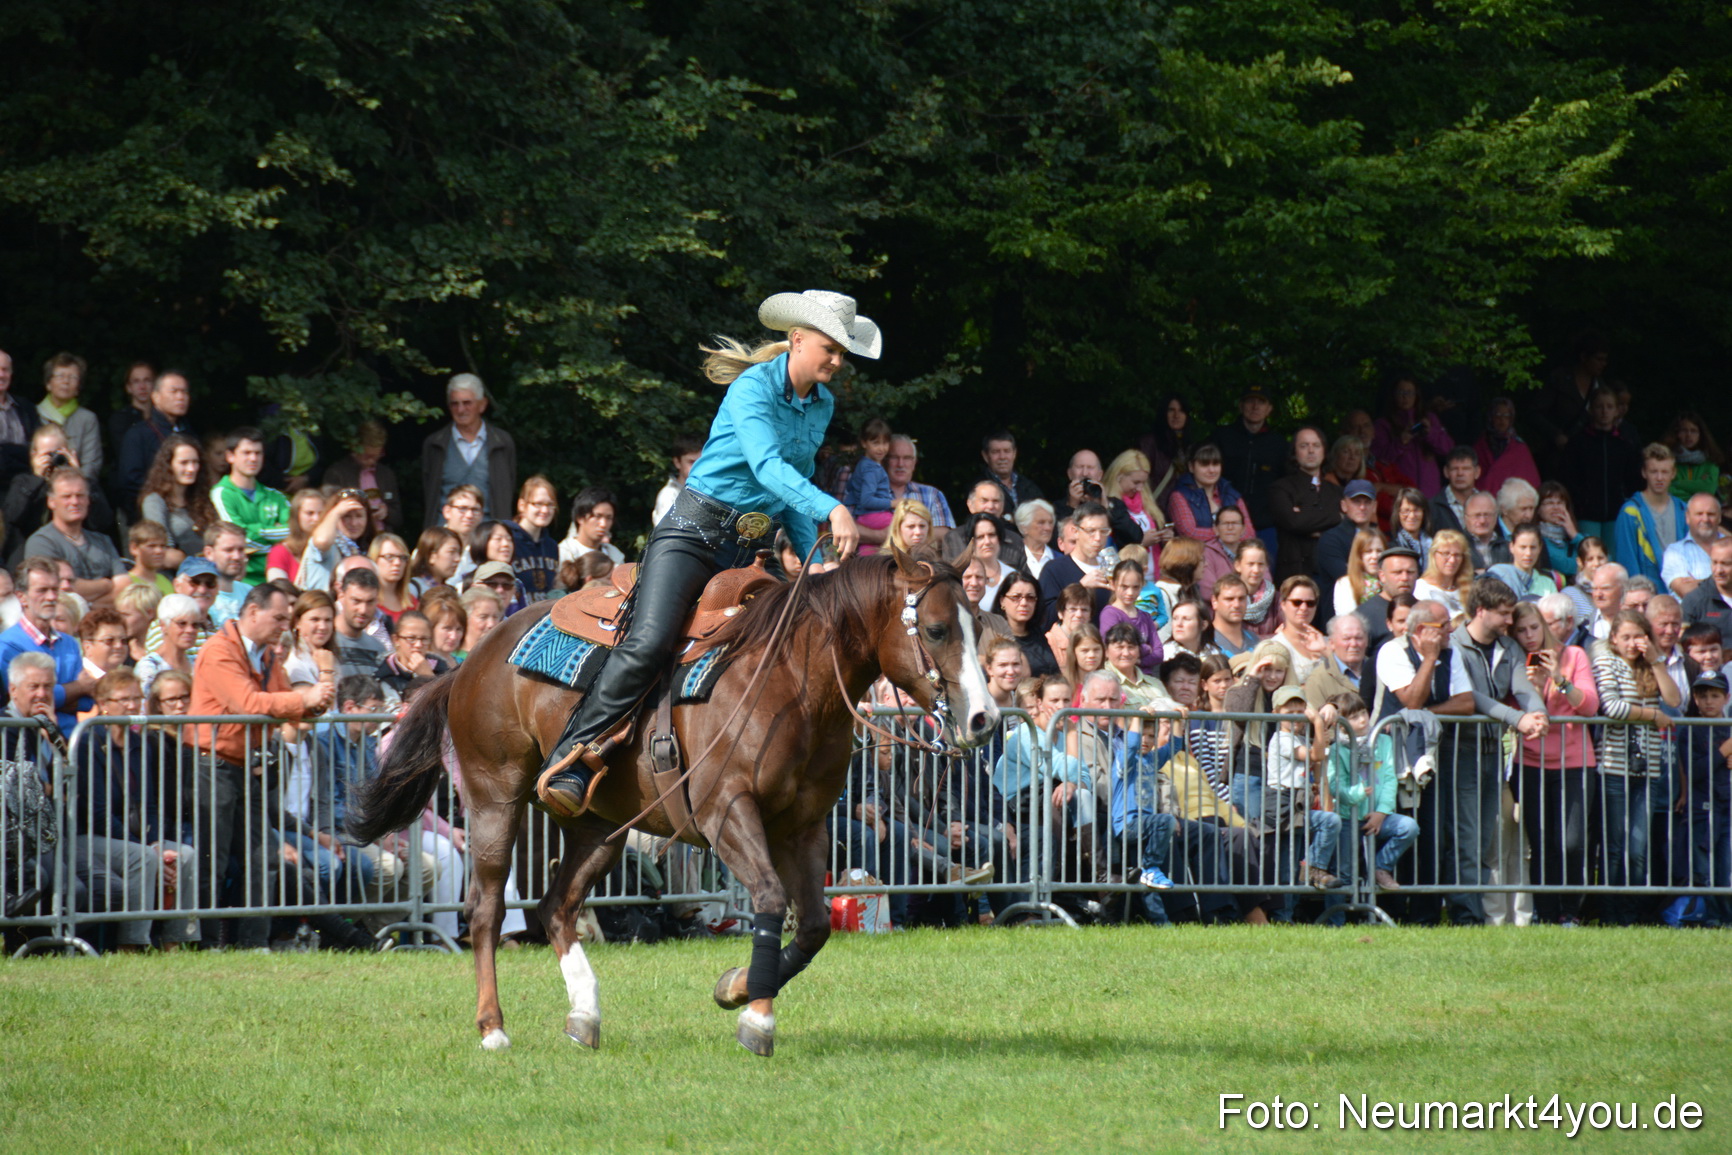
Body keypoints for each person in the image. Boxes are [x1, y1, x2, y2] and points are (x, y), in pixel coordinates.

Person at [536, 290, 872, 816]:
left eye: (842, 353)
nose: (836, 360)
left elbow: (793, 486)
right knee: (649, 642)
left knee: (791, 646)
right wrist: (834, 508)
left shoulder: (822, 404)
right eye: (830, 348)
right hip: (692, 536)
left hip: (750, 553)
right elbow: (767, 467)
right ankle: (573, 757)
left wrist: (816, 560)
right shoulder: (751, 388)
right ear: (797, 339)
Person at [189, 584, 335, 947]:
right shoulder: (218, 650)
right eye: (279, 617)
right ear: (253, 612)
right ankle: (204, 944)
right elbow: (248, 703)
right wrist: (305, 699)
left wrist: (321, 689)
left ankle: (253, 944)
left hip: (245, 766)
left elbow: (292, 705)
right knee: (212, 859)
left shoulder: (267, 655)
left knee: (264, 857)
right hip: (212, 764)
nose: (285, 626)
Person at [1591, 608, 1681, 925]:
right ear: (1614, 639)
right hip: (1614, 765)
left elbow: (1674, 700)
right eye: (1625, 637)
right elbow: (1612, 707)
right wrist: (1652, 716)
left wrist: (1656, 661)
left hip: (1649, 768)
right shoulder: (1606, 661)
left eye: (1638, 637)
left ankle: (1629, 915)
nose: (1632, 644)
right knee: (1614, 846)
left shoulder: (1650, 666)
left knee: (1638, 848)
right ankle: (1610, 914)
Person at [1511, 599, 1597, 924]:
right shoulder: (1515, 661)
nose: (1530, 635)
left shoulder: (1574, 655)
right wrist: (1531, 688)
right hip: (1530, 762)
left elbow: (1589, 706)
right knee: (1542, 842)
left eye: (1534, 627)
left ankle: (1570, 912)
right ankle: (1545, 914)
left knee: (1571, 842)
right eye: (1521, 630)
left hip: (1574, 762)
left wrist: (1558, 678)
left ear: (1544, 626)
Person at [1319, 691, 1419, 893]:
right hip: (1347, 817)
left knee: (1408, 827)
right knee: (1343, 872)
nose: (1363, 720)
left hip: (1377, 815)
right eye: (1354, 717)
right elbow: (1335, 786)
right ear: (1341, 724)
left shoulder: (1383, 741)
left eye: (1364, 713)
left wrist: (1381, 812)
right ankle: (1336, 913)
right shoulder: (1337, 749)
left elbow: (1390, 778)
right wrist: (1356, 794)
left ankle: (1380, 867)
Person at [4, 423, 118, 564]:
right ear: (34, 454)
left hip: (74, 555)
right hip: (30, 555)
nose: (54, 460)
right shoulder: (23, 482)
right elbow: (12, 517)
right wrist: (37, 479)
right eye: (48, 455)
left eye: (58, 454)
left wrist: (78, 476)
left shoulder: (82, 486)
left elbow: (103, 521)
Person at [421, 373, 516, 522]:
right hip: (445, 531)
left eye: (467, 403)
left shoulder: (502, 443)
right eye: (455, 404)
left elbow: (508, 488)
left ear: (482, 405)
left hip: (489, 531)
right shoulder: (435, 444)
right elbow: (429, 492)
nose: (460, 410)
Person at [24, 469, 125, 608]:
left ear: (88, 500)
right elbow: (58, 588)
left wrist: (89, 607)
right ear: (51, 502)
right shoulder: (41, 542)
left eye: (80, 495)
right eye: (66, 496)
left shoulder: (103, 541)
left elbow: (124, 587)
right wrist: (107, 584)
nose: (75, 501)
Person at [1560, 386, 1643, 548]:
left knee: (1612, 557)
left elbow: (1634, 479)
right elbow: (1568, 477)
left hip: (1617, 512)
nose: (1604, 411)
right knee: (1589, 553)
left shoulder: (1625, 444)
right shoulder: (1578, 443)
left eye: (1609, 407)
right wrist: (1579, 502)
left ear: (1617, 411)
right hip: (1586, 514)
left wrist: (1627, 502)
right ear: (1591, 409)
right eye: (1599, 406)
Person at [208, 427, 291, 584]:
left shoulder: (276, 497)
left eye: (258, 453)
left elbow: (295, 533)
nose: (253, 458)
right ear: (230, 456)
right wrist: (275, 546)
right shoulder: (221, 493)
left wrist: (253, 530)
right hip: (242, 581)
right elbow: (237, 539)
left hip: (279, 579)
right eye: (246, 453)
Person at [1213, 385, 1287, 556]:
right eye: (1250, 401)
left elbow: (1285, 484)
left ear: (1269, 409)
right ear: (1241, 406)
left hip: (1265, 526)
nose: (1255, 406)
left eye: (1261, 402)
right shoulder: (1222, 436)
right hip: (1225, 523)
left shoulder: (1279, 444)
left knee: (1261, 570)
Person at [1266, 425, 1340, 583]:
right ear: (1294, 452)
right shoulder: (1280, 488)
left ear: (1324, 451)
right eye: (1304, 446)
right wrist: (1336, 517)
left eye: (1316, 445)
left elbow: (1344, 527)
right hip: (1294, 575)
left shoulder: (1337, 492)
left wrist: (1305, 518)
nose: (1311, 451)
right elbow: (1294, 522)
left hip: (1331, 575)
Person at [116, 371, 194, 512]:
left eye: (184, 392)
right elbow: (131, 479)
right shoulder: (138, 434)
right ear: (155, 397)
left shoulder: (189, 433)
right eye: (174, 391)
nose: (180, 397)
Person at [1613, 443, 1688, 585]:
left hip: (1680, 589)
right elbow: (1627, 561)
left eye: (1665, 472)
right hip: (1646, 591)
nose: (1659, 478)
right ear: (1644, 473)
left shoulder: (1683, 509)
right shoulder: (1630, 513)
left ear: (1673, 473)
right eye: (1653, 472)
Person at [1371, 374, 1454, 496]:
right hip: (1400, 493)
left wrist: (1430, 434)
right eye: (1401, 392)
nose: (1405, 397)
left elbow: (1449, 449)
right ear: (1393, 395)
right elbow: (1379, 459)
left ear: (1416, 396)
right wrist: (1401, 442)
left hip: (1430, 491)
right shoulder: (1383, 424)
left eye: (1410, 393)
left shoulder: (1429, 418)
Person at [1038, 501, 1114, 625]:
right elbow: (1044, 619)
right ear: (1076, 531)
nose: (1098, 538)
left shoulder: (1113, 567)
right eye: (1091, 531)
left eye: (1104, 531)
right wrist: (1080, 587)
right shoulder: (1055, 569)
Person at [320, 420, 402, 534]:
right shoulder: (337, 473)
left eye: (377, 456)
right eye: (367, 456)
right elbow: (327, 514)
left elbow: (398, 518)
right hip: (350, 537)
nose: (372, 461)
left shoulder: (386, 474)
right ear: (355, 448)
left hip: (381, 537)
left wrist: (386, 512)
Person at [35, 353, 104, 483]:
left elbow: (91, 465)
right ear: (48, 383)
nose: (66, 382)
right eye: (60, 376)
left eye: (73, 377)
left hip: (77, 487)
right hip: (39, 484)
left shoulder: (88, 419)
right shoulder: (33, 414)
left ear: (78, 387)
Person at [1139, 394, 1213, 500]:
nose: (1176, 415)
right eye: (1171, 410)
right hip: (1156, 507)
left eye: (1181, 410)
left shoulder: (1192, 447)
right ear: (1164, 413)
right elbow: (1138, 480)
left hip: (1184, 506)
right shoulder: (1149, 443)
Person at [1102, 448, 1171, 557]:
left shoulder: (1147, 502)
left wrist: (1165, 537)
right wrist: (1142, 544)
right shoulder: (1106, 505)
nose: (1140, 488)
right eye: (1136, 482)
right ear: (1119, 476)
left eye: (1144, 483)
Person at [1099, 558, 1162, 674]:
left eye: (1136, 587)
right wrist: (1146, 648)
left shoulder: (1145, 617)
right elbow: (1115, 649)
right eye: (1124, 587)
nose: (1130, 593)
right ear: (1113, 584)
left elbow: (1159, 654)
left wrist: (1138, 661)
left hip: (1146, 677)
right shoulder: (1110, 614)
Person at [1316, 481, 1380, 593]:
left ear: (1374, 507)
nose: (1362, 507)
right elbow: (1345, 576)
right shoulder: (1330, 539)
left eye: (1367, 502)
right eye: (1356, 501)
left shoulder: (1380, 538)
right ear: (1344, 505)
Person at [990, 572, 1055, 677]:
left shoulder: (1040, 634)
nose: (1024, 603)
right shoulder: (993, 637)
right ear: (1002, 601)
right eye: (1016, 597)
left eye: (1030, 598)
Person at [505, 475, 560, 601]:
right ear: (521, 505)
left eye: (550, 504)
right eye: (538, 504)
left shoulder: (551, 546)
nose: (545, 510)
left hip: (544, 611)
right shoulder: (508, 540)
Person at [1473, 395, 1541, 495]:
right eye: (1498, 415)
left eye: (1506, 415)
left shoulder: (1519, 447)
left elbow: (1530, 481)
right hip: (1484, 498)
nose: (1502, 419)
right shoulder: (1480, 445)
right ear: (1491, 417)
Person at [1661, 493, 1725, 598]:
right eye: (1699, 514)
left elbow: (1693, 589)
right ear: (1687, 517)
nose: (1705, 519)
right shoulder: (1675, 552)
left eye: (1711, 514)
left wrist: (1698, 582)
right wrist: (1726, 579)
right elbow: (1686, 592)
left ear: (1719, 517)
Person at [331, 567, 389, 679]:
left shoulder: (378, 649)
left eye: (370, 602)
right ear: (341, 596)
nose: (363, 610)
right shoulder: (325, 640)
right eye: (356, 601)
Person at [1304, 612, 1371, 711]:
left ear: (1367, 641)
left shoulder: (1380, 669)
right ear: (1331, 643)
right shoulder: (1318, 680)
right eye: (1346, 638)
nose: (1353, 644)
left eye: (1359, 638)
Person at [1270, 575, 1327, 683]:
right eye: (1297, 602)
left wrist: (1327, 652)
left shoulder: (1327, 643)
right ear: (1283, 604)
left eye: (1310, 603)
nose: (1304, 608)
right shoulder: (1274, 646)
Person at [264, 489, 325, 585]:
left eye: (321, 513)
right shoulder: (280, 552)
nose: (316, 519)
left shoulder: (333, 548)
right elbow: (279, 588)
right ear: (296, 516)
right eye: (310, 513)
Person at [1487, 523, 1558, 602]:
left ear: (1540, 548)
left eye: (1533, 547)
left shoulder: (1548, 583)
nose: (1528, 553)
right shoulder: (1500, 576)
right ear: (1511, 547)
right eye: (1523, 547)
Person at [1664, 411, 1725, 501]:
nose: (1688, 435)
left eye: (1693, 431)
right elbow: (1667, 490)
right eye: (1684, 430)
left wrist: (1677, 483)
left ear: (1700, 434)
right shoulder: (1667, 461)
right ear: (1677, 433)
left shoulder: (1711, 461)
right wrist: (1695, 488)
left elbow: (1708, 489)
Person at [558, 486, 624, 568]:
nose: (603, 524)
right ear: (580, 517)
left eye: (609, 518)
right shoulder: (563, 554)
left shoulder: (615, 556)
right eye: (597, 516)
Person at [978, 430, 1044, 509]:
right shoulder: (977, 489)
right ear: (985, 456)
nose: (1002, 457)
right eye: (995, 452)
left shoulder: (1029, 487)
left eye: (1007, 451)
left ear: (1014, 454)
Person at [652, 432, 706, 528]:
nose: (697, 467)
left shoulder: (709, 493)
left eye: (701, 462)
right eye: (691, 462)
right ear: (677, 462)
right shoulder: (669, 495)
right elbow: (665, 533)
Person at [1415, 529, 1473, 617]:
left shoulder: (1470, 587)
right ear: (1434, 555)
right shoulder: (1422, 588)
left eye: (1457, 555)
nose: (1452, 560)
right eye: (1446, 554)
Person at [1536, 480, 1585, 580]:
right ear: (1538, 509)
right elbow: (1564, 566)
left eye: (1560, 503)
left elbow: (1598, 556)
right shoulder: (1536, 540)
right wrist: (1585, 564)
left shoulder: (1578, 538)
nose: (1556, 507)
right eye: (1549, 503)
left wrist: (1574, 535)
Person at [1332, 527, 1385, 616]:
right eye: (1368, 551)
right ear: (1359, 555)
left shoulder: (1391, 583)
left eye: (1379, 551)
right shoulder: (1345, 583)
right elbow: (1346, 618)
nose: (1375, 556)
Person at [368, 533, 417, 623]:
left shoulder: (412, 602)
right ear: (374, 560)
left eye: (402, 558)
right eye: (389, 557)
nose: (397, 562)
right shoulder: (367, 600)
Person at [1207, 575, 1254, 660]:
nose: (1237, 605)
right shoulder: (1203, 642)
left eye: (1241, 598)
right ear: (1214, 602)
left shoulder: (1255, 641)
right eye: (1229, 599)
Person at [1012, 500, 1057, 578]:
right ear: (1024, 527)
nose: (1048, 528)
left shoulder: (1059, 558)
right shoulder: (1010, 557)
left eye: (1050, 522)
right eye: (1041, 522)